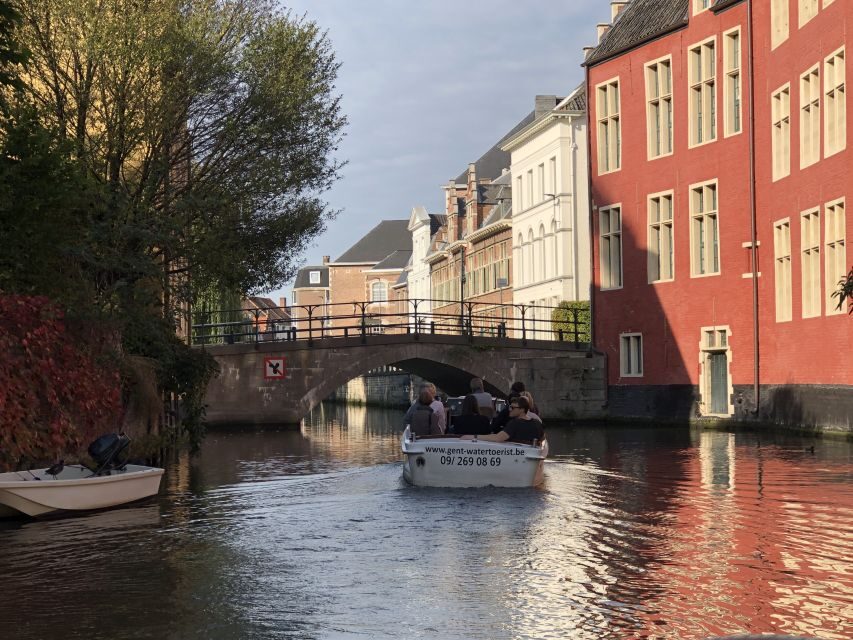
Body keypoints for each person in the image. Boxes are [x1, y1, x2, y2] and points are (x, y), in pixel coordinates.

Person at [463, 396, 543, 444]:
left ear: (522, 409)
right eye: (509, 407)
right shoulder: (537, 423)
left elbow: (498, 438)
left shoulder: (514, 423)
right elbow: (543, 440)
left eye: (513, 408)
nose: (509, 410)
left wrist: (473, 437)